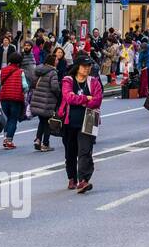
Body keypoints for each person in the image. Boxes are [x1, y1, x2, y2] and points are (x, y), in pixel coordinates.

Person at [59, 55, 104, 194]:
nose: (87, 68)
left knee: (85, 151)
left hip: (89, 120)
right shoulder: (68, 80)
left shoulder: (94, 82)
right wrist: (85, 98)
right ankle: (72, 177)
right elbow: (68, 97)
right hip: (69, 121)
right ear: (77, 67)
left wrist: (81, 100)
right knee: (70, 152)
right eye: (84, 66)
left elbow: (97, 100)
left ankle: (83, 180)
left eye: (89, 66)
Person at [29, 51, 63, 153]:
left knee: (42, 121)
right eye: (56, 60)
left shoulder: (38, 70)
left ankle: (38, 139)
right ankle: (45, 143)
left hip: (37, 99)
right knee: (48, 123)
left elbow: (33, 83)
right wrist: (59, 95)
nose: (57, 61)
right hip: (47, 100)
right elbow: (54, 87)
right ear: (52, 61)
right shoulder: (53, 72)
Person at [0, 51, 28, 150]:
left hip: (4, 98)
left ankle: (5, 137)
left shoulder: (3, 70)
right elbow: (25, 86)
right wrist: (24, 92)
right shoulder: (20, 72)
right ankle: (9, 140)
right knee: (13, 119)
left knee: (6, 118)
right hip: (16, 98)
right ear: (19, 62)